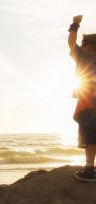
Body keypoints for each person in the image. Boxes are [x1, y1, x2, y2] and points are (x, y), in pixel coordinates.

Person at [68, 15, 96, 182]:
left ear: (90, 46)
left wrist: (75, 24)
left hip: (89, 104)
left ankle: (89, 171)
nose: (81, 46)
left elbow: (71, 43)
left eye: (84, 44)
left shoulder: (84, 57)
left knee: (90, 138)